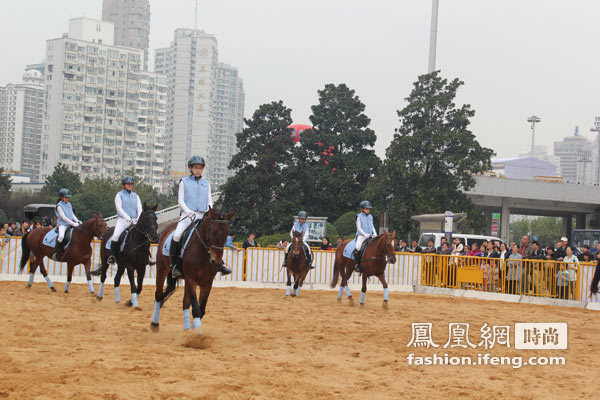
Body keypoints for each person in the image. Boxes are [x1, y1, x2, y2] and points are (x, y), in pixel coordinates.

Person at [170, 156, 230, 278]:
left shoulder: (206, 183)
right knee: (177, 235)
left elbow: (209, 200)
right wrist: (188, 211)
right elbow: (180, 200)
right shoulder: (184, 182)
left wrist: (210, 212)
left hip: (203, 215)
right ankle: (175, 265)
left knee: (214, 235)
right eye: (196, 168)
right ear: (191, 168)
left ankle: (221, 264)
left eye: (200, 168)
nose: (198, 170)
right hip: (188, 215)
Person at [107, 176, 143, 264]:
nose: (130, 186)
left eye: (131, 184)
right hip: (123, 220)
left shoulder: (136, 196)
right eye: (128, 184)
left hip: (135, 220)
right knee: (116, 236)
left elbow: (140, 208)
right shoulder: (119, 195)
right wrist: (128, 218)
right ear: (124, 185)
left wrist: (138, 219)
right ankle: (113, 256)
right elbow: (119, 208)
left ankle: (146, 256)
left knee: (144, 235)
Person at [52, 188, 82, 261]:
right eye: (66, 197)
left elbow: (72, 214)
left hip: (70, 224)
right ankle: (55, 252)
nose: (67, 199)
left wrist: (78, 221)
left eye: (68, 197)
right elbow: (63, 217)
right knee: (61, 237)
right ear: (61, 197)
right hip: (62, 224)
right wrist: (74, 224)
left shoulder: (69, 204)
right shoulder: (59, 206)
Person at [354, 201, 377, 273]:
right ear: (362, 209)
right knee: (358, 247)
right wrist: (364, 234)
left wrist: (375, 233)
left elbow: (372, 225)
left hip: (370, 235)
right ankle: (357, 264)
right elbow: (359, 227)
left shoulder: (370, 216)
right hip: (361, 236)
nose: (368, 210)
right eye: (366, 209)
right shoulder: (359, 216)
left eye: (369, 209)